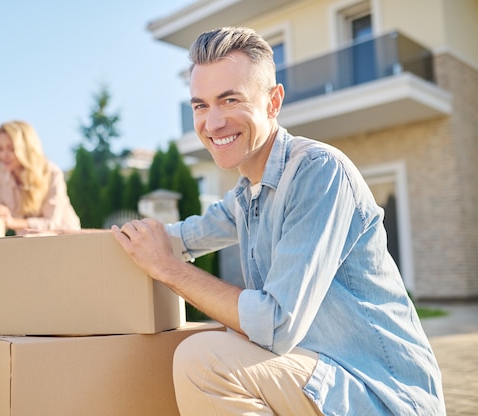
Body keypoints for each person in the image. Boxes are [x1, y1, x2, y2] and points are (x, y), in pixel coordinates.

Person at [112, 26, 445, 415]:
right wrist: (76, 241)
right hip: (323, 379)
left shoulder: (319, 173)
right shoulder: (247, 197)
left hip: (381, 395)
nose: (213, 122)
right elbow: (173, 239)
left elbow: (275, 323)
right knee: (212, 342)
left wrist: (168, 270)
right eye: (200, 105)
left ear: (273, 102)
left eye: (229, 99)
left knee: (205, 360)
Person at [0, 120, 80, 233]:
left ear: (26, 148)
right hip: (30, 242)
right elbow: (2, 221)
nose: (4, 155)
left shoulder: (51, 173)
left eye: (11, 149)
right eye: (0, 149)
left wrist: (13, 222)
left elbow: (51, 223)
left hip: (65, 238)